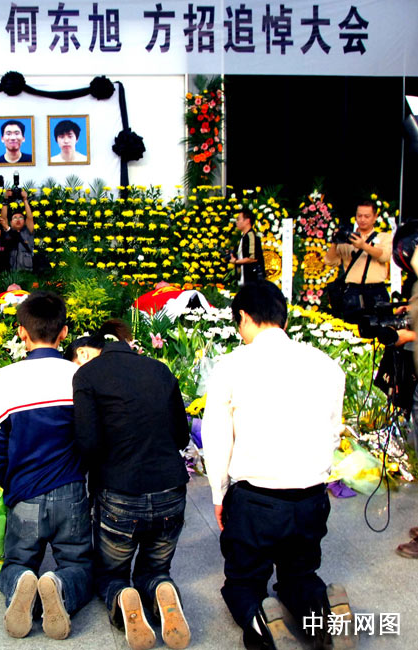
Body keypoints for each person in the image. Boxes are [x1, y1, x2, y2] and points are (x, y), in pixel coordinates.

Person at [201, 281, 354, 650]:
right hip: (311, 498)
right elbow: (333, 431)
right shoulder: (326, 365)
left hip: (257, 500)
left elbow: (217, 438)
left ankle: (262, 619)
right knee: (299, 574)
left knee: (244, 581)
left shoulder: (232, 366)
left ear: (244, 317)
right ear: (282, 318)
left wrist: (219, 494)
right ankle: (325, 614)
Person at [70, 320, 192, 650]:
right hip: (170, 488)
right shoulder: (160, 370)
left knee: (111, 573)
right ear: (128, 342)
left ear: (96, 347)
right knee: (156, 567)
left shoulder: (87, 376)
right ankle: (161, 587)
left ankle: (123, 595)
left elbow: (88, 443)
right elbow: (181, 436)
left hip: (119, 491)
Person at [0, 291, 92, 641]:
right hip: (70, 490)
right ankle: (59, 586)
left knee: (16, 562)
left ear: (21, 332)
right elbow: (91, 438)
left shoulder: (4, 378)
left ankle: (21, 583)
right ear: (64, 332)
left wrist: (12, 484)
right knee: (78, 564)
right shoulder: (79, 376)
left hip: (25, 492)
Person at [324, 200, 392, 321]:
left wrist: (363, 246)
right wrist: (335, 241)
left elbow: (384, 256)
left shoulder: (383, 237)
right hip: (352, 293)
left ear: (375, 217)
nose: (362, 219)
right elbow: (330, 261)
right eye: (359, 216)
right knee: (352, 327)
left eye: (367, 216)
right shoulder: (348, 239)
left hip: (376, 292)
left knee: (379, 327)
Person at [230, 208, 265, 286]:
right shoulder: (244, 237)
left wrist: (236, 261)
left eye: (238, 219)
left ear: (247, 221)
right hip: (244, 278)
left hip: (252, 279)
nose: (236, 222)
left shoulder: (251, 236)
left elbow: (252, 258)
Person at [3, 188, 35, 272]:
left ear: (24, 222)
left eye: (21, 218)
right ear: (10, 222)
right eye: (15, 218)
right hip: (11, 274)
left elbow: (30, 218)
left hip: (27, 273)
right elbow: (3, 218)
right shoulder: (7, 232)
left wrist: (25, 200)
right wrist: (5, 199)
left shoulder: (28, 232)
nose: (18, 220)